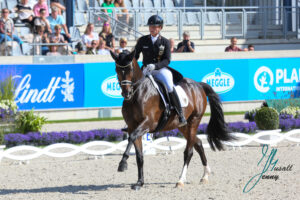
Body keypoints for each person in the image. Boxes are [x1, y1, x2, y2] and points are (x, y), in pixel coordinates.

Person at [134, 15, 187, 126]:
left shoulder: (165, 42)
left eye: (155, 26)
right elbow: (135, 55)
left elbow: (167, 60)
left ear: (160, 28)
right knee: (135, 86)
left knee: (169, 86)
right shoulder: (143, 40)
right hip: (146, 69)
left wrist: (156, 66)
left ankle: (180, 114)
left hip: (160, 69)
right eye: (151, 26)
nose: (152, 28)